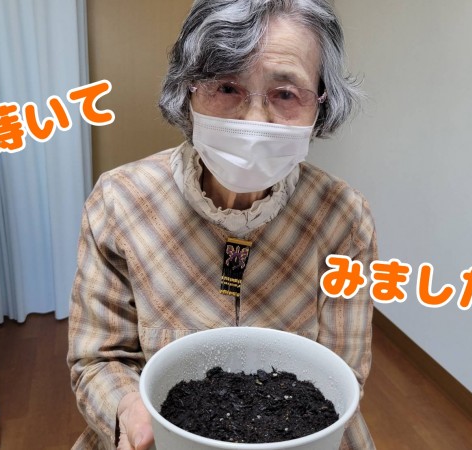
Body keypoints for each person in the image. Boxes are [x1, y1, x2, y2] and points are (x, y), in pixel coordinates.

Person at [68, 1, 377, 449]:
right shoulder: (121, 202)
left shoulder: (343, 218)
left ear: (322, 105)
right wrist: (130, 413)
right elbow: (96, 358)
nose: (254, 121)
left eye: (285, 94)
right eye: (227, 87)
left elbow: (341, 374)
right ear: (187, 90)